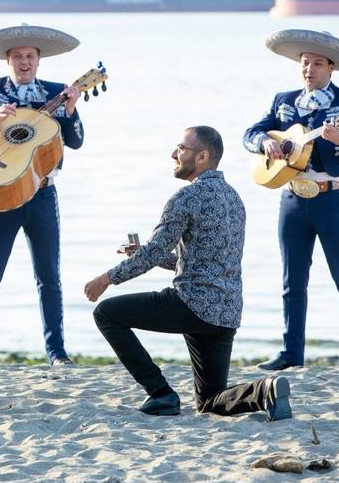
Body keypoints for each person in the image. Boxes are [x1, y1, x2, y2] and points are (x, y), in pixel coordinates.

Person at [84, 126, 292, 420]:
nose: (174, 154)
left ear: (203, 156)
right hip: (226, 313)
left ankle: (160, 393)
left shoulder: (186, 197)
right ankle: (264, 391)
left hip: (191, 305)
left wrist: (106, 278)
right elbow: (200, 260)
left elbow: (156, 252)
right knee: (210, 402)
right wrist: (150, 255)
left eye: (181, 149)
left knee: (106, 313)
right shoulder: (234, 200)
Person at [243, 29, 339, 373]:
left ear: (332, 67)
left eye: (317, 63)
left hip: (335, 197)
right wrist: (265, 144)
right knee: (292, 280)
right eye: (305, 63)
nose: (309, 69)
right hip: (292, 199)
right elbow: (250, 133)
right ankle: (291, 353)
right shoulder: (284, 100)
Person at [0, 24, 84, 367]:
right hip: (2, 192)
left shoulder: (58, 92)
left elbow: (75, 141)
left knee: (49, 278)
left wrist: (70, 112)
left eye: (30, 56)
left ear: (39, 60)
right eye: (17, 57)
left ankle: (57, 353)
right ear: (8, 61)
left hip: (43, 195)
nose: (24, 61)